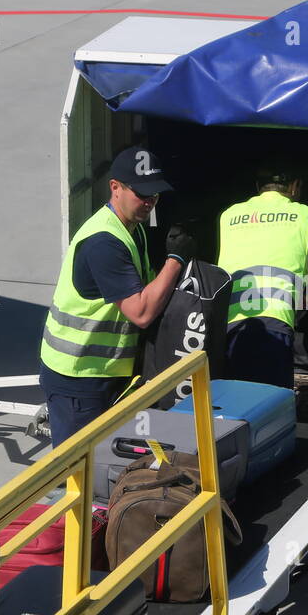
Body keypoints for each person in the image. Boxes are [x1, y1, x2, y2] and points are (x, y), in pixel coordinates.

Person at [39, 145, 196, 449]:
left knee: (102, 464)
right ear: (115, 188)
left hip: (104, 373)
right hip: (79, 377)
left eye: (155, 195)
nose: (149, 202)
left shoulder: (131, 229)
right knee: (78, 470)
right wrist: (176, 259)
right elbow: (141, 311)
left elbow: (148, 287)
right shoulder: (104, 242)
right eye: (142, 194)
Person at [216, 166, 308, 388]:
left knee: (235, 399)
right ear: (294, 186)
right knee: (272, 402)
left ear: (258, 187)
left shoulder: (229, 215)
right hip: (274, 318)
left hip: (228, 321)